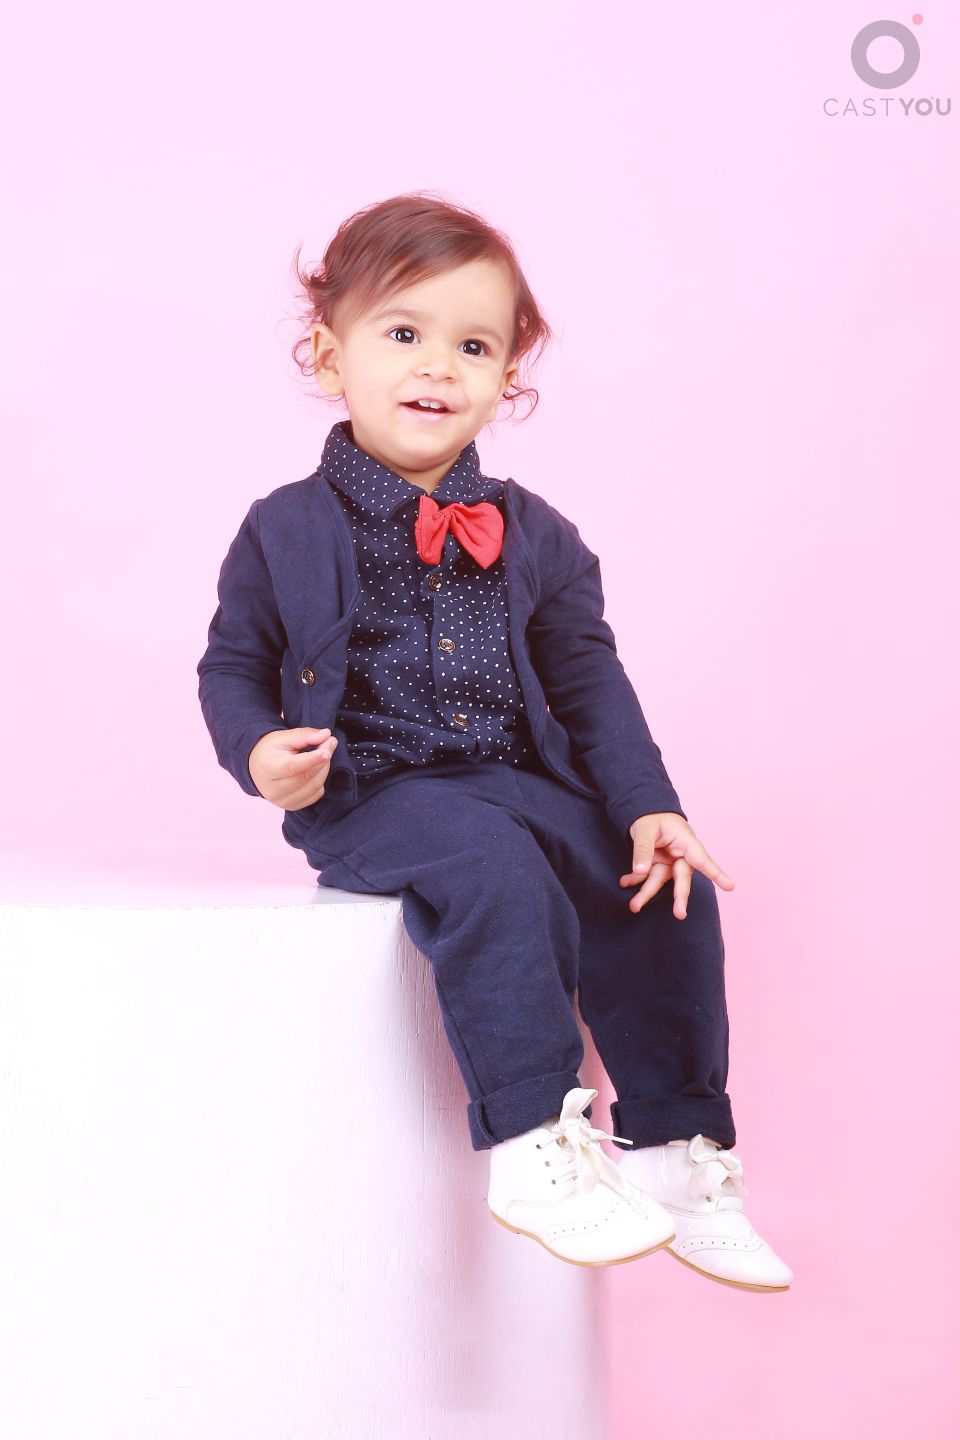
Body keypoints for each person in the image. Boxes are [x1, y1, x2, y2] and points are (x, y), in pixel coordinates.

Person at [196, 191, 792, 1290]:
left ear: (507, 379)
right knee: (493, 869)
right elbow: (233, 664)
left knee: (662, 886)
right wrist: (259, 752)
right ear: (329, 356)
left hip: (521, 778)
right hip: (374, 789)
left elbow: (591, 680)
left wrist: (650, 806)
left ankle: (674, 1150)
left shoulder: (540, 533)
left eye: (474, 346)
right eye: (402, 333)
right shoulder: (283, 526)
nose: (438, 366)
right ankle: (532, 1143)